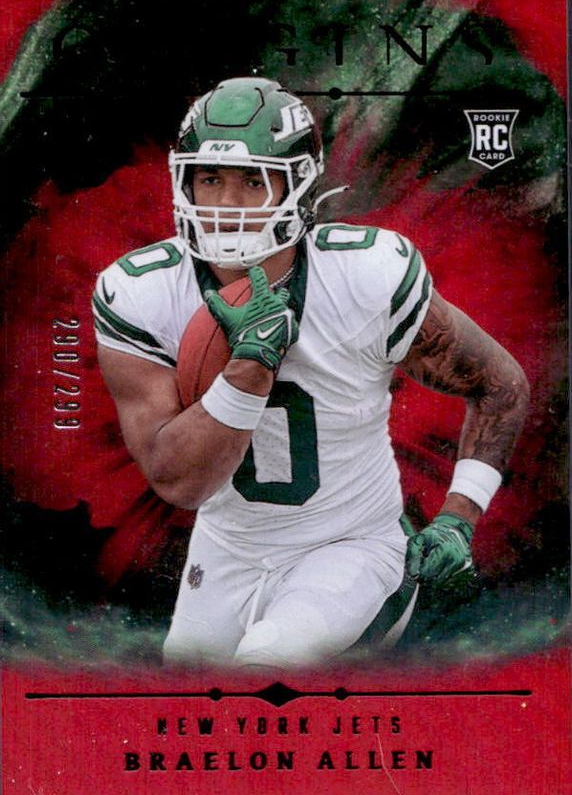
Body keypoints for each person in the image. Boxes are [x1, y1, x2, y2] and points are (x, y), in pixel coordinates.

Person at [92, 77, 529, 668]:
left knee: (270, 663)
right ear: (183, 180)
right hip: (227, 548)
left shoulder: (365, 275)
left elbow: (501, 385)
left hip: (351, 544)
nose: (226, 204)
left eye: (253, 181)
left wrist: (459, 517)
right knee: (187, 690)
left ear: (298, 185)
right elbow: (178, 483)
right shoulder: (140, 292)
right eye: (210, 178)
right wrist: (250, 366)